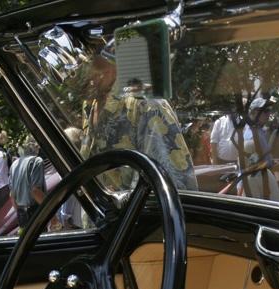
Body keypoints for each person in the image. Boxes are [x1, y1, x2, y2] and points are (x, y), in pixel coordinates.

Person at [80, 50, 197, 192]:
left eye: (89, 55)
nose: (84, 64)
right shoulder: (90, 106)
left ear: (110, 52)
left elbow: (175, 189)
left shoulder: (147, 104)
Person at [8, 137, 47, 229]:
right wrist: (52, 215)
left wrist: (19, 213)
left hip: (21, 211)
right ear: (35, 146)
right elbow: (36, 191)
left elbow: (12, 195)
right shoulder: (37, 161)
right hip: (35, 211)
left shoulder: (15, 164)